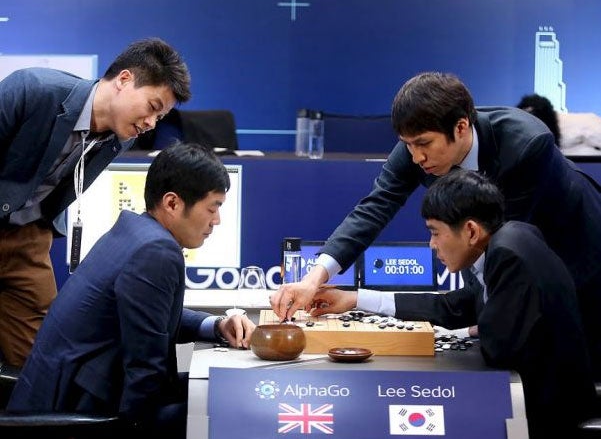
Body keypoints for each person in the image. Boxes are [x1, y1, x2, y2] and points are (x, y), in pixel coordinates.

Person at [271, 71, 601, 380]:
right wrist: (314, 279)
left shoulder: (527, 147)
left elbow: (502, 252)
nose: (416, 158)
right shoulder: (417, 145)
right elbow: (375, 207)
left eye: (423, 144)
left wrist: (487, 314)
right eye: (408, 144)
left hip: (580, 246)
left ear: (460, 127)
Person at [307, 170, 597, 438]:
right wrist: (355, 299)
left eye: (435, 232)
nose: (432, 245)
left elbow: (498, 348)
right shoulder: (512, 236)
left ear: (470, 231)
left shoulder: (509, 258)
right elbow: (458, 306)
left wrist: (472, 327)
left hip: (547, 416)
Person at [7, 142, 256, 439]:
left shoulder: (132, 231)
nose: (217, 221)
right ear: (173, 203)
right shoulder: (157, 251)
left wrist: (215, 325)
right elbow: (146, 372)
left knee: (209, 391)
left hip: (64, 392)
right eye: (212, 208)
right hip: (77, 413)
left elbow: (149, 317)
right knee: (224, 406)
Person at [0, 37, 192, 367]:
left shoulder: (117, 139)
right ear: (125, 79)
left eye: (159, 118)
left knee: (41, 363)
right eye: (152, 107)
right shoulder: (33, 89)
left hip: (27, 239)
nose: (150, 124)